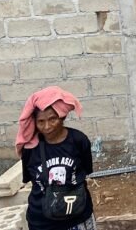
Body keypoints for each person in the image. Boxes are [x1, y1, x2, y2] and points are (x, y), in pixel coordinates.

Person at [17, 87, 94, 230]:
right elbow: (31, 178)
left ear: (62, 117)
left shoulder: (78, 141)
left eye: (52, 119)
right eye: (41, 121)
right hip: (42, 221)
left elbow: (86, 170)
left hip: (77, 216)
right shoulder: (30, 149)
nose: (47, 126)